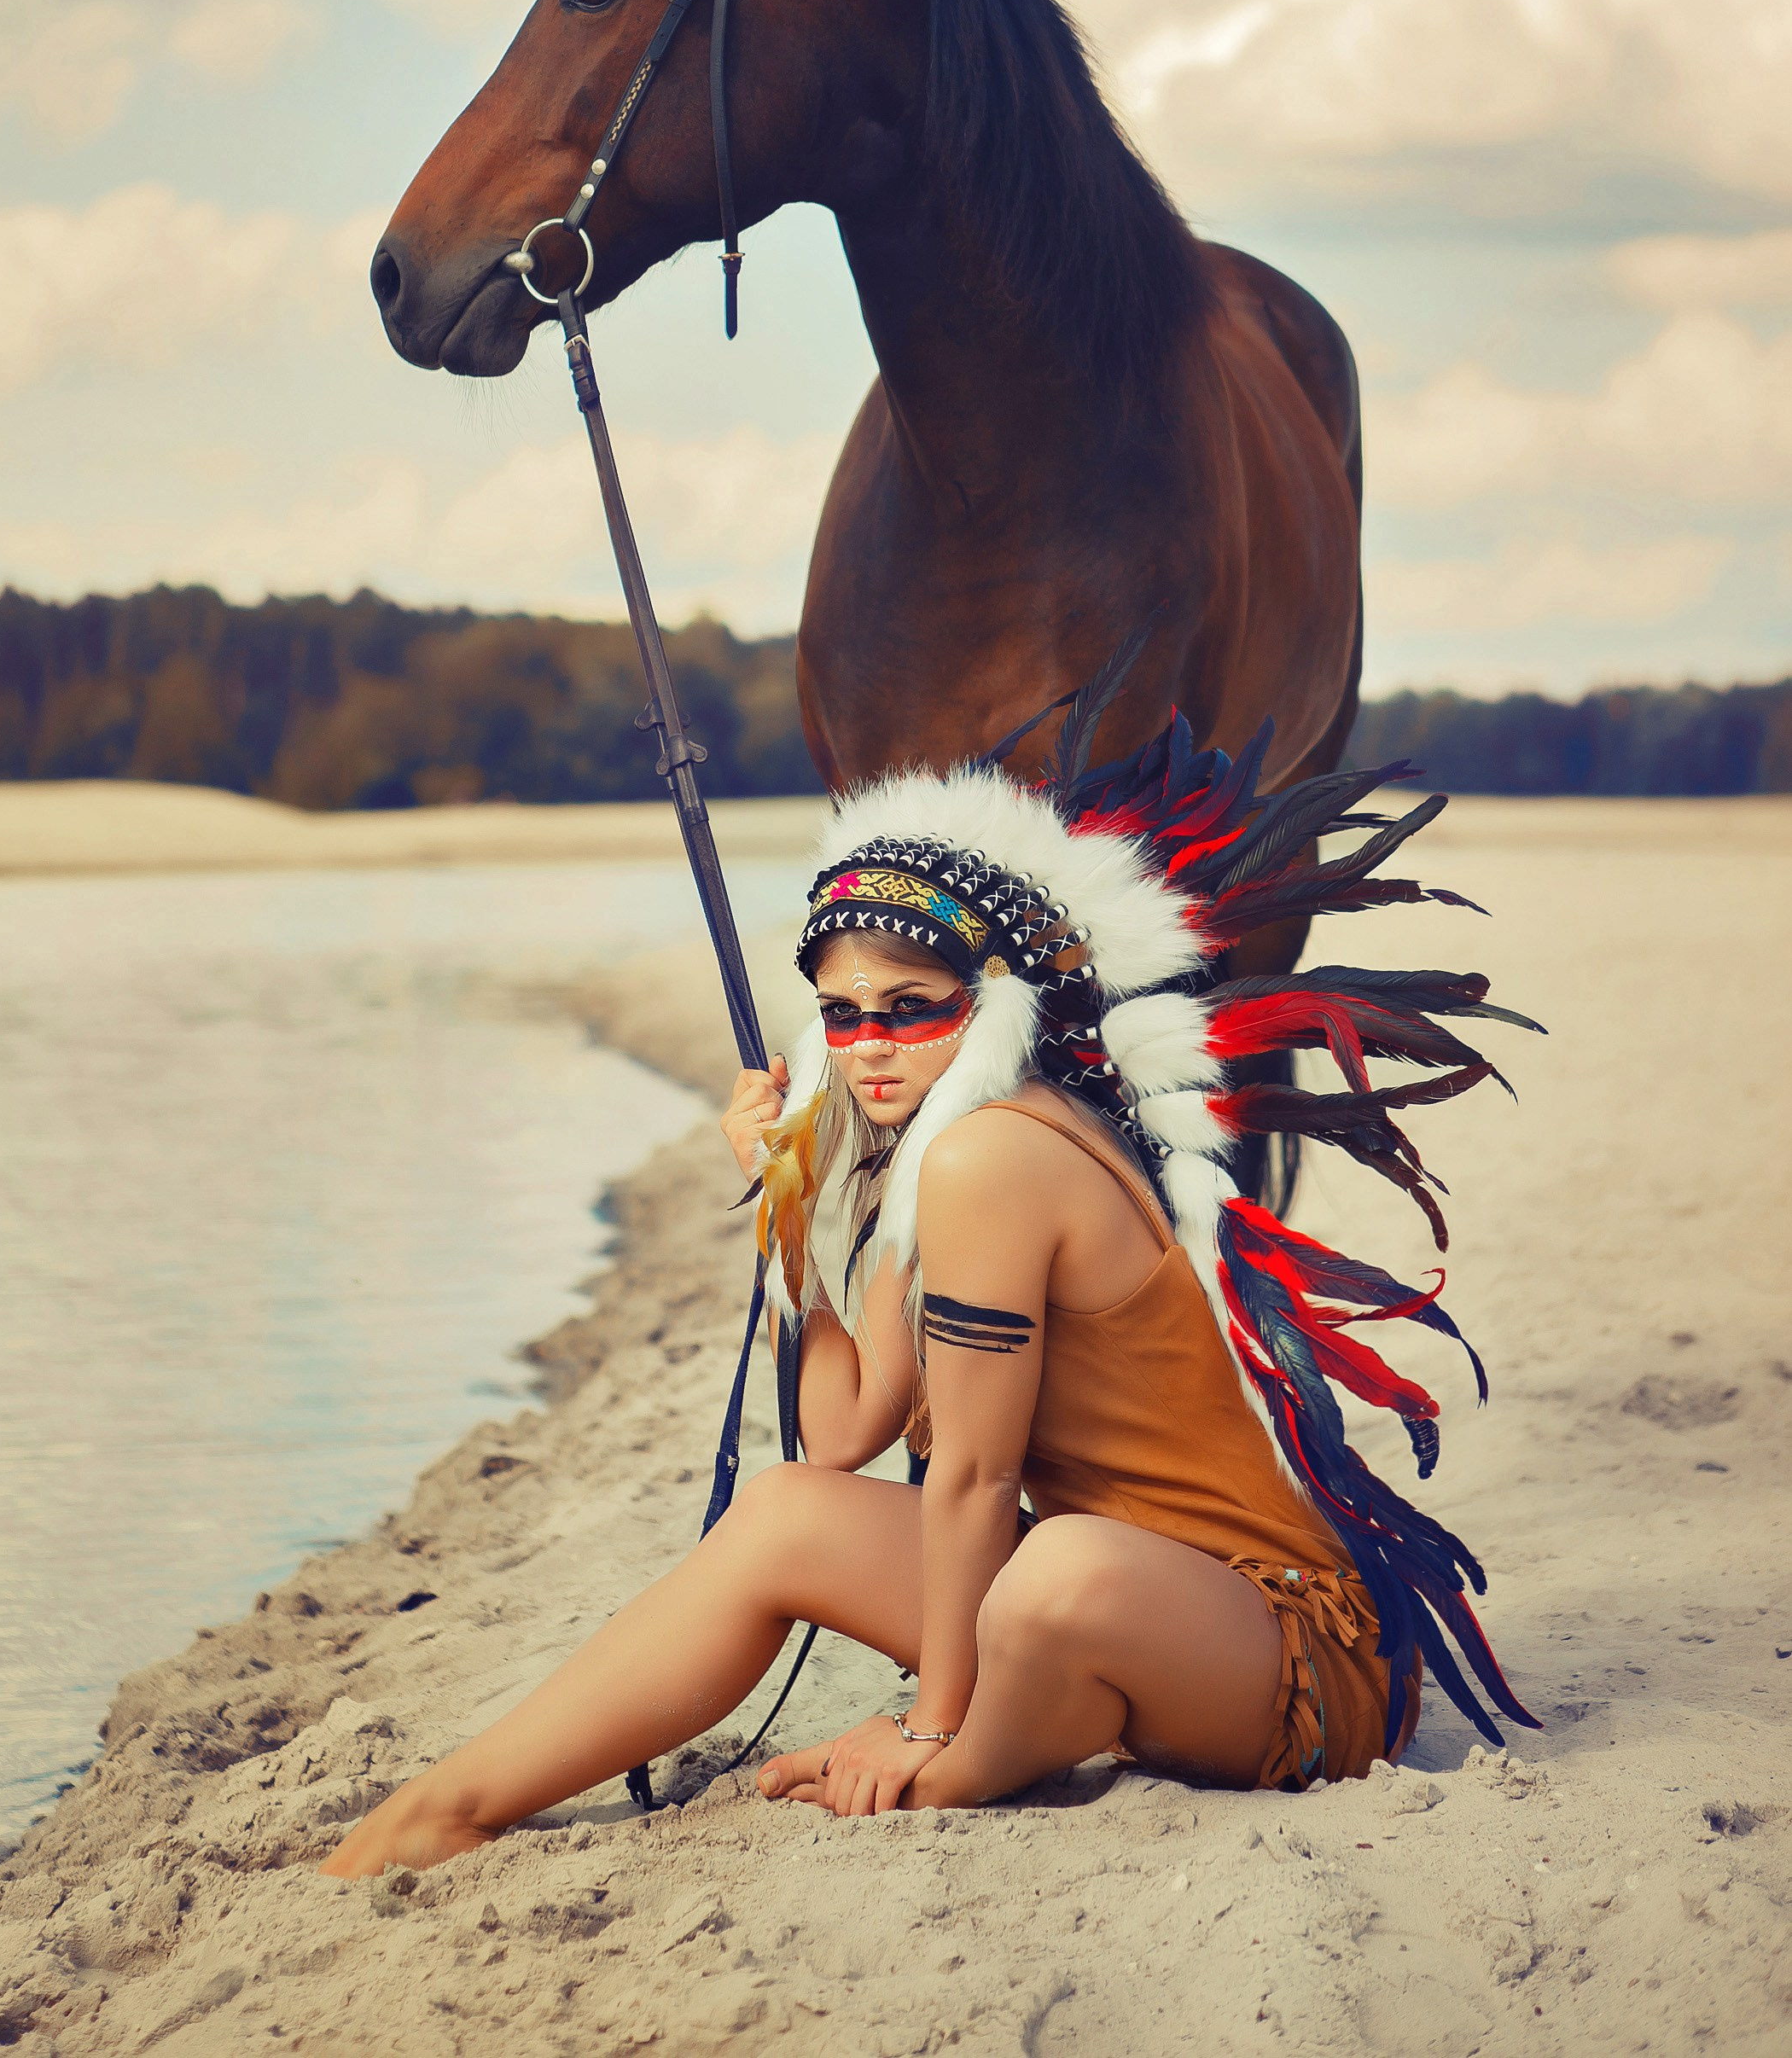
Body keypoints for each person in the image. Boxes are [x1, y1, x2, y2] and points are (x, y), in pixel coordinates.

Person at [322, 688, 1538, 1875]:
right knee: (786, 1516)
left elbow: (973, 1472)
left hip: (1288, 1651)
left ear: (995, 1004)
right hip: (1121, 1601)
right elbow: (838, 1435)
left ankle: (970, 1755)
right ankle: (452, 1803)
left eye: (912, 1011)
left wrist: (933, 1718)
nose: (870, 1047)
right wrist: (794, 1198)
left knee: (1054, 1578)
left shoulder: (994, 1152)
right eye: (840, 1019)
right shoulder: (931, 1161)